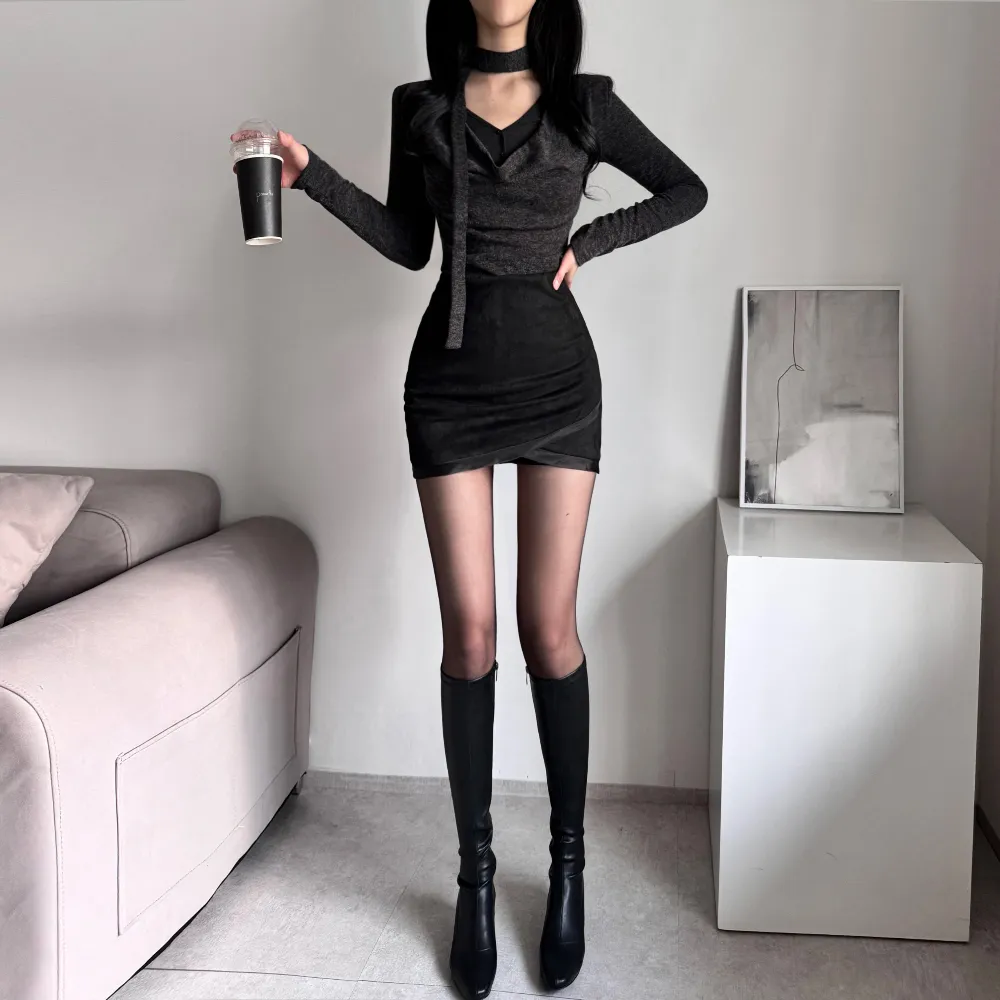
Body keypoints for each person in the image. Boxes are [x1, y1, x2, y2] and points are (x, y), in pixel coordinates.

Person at [235, 1, 707, 995]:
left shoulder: (584, 103)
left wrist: (593, 240)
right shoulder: (422, 105)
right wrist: (309, 174)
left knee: (549, 628)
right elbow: (411, 244)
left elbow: (685, 188)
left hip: (559, 385)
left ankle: (568, 868)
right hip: (448, 390)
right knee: (471, 635)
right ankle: (476, 878)